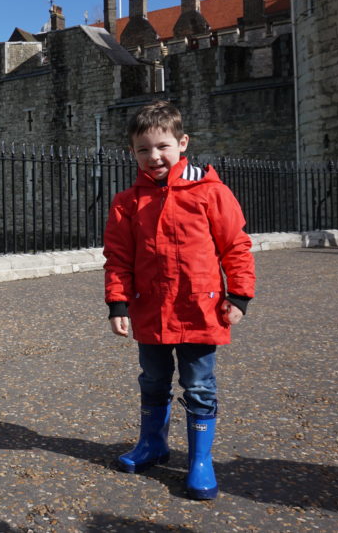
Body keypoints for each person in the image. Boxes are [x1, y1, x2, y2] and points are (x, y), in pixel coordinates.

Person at [102, 101, 255, 500]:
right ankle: (153, 443)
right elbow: (118, 258)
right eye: (143, 149)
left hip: (199, 308)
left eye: (162, 146)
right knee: (152, 381)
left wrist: (238, 294)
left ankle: (200, 461)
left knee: (199, 385)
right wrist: (118, 304)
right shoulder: (126, 202)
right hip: (149, 308)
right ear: (131, 151)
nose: (154, 156)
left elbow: (235, 246)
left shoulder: (211, 192)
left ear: (182, 143)